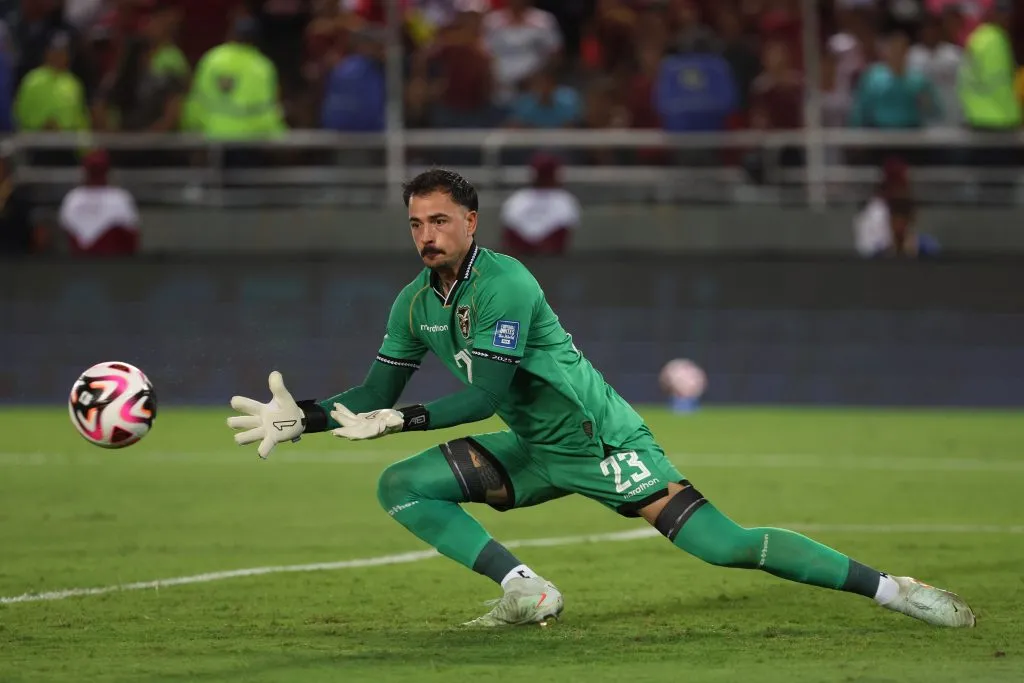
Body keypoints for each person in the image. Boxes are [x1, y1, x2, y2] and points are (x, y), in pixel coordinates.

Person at [227, 169, 976, 629]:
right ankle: (526, 590)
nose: (427, 234)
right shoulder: (413, 301)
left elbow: (484, 393)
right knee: (403, 484)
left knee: (726, 546)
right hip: (537, 445)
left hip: (596, 439)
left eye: (440, 220)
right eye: (416, 222)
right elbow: (374, 392)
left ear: (471, 222)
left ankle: (893, 590)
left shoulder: (507, 283)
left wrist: (401, 417)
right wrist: (311, 417)